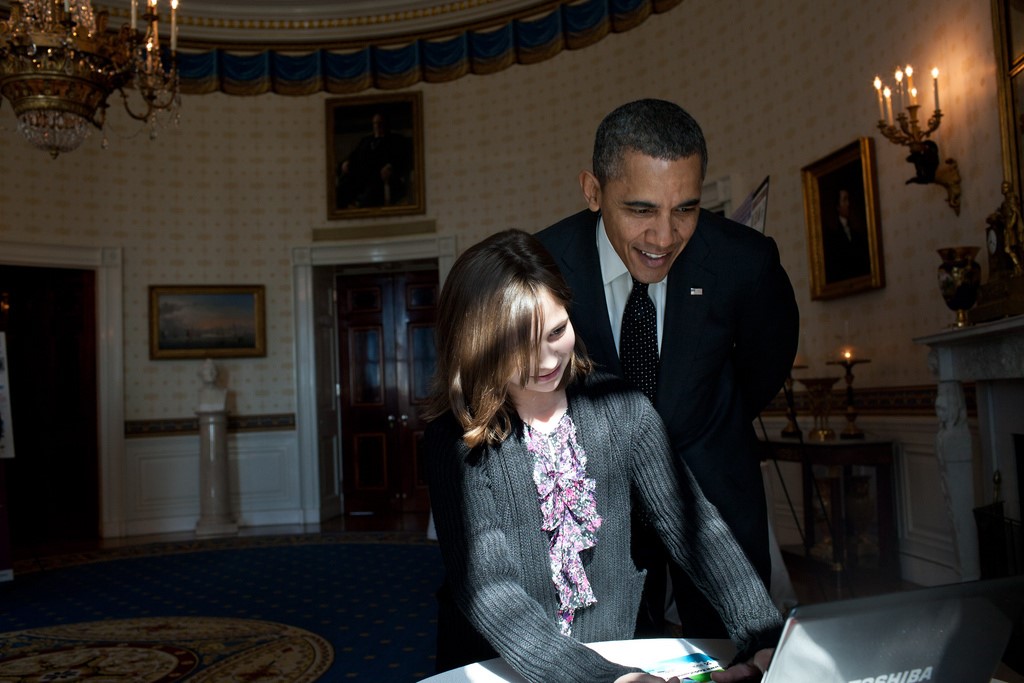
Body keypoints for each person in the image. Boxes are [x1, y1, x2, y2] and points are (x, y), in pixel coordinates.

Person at [424, 229, 783, 683]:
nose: (546, 359)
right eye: (519, 345)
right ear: (478, 344)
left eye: (557, 330)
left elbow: (699, 532)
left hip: (616, 652)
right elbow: (492, 591)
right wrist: (597, 678)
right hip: (497, 668)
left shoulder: (625, 408)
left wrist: (762, 632)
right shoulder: (455, 440)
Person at [537, 99, 799, 639]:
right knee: (611, 651)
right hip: (595, 500)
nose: (665, 237)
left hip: (712, 489)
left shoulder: (744, 262)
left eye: (685, 209)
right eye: (640, 210)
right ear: (592, 191)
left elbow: (765, 360)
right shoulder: (542, 266)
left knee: (739, 650)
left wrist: (711, 420)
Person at [335, 112, 413, 208]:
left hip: (380, 179)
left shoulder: (396, 140)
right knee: (340, 190)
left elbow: (404, 158)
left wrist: (391, 166)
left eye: (380, 123)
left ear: (386, 124)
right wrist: (345, 163)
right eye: (375, 123)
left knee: (368, 198)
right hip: (360, 177)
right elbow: (353, 156)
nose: (377, 126)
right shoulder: (366, 140)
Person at [821, 187, 871, 283]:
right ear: (838, 206)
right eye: (844, 200)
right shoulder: (832, 235)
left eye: (848, 199)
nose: (848, 204)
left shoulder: (856, 233)